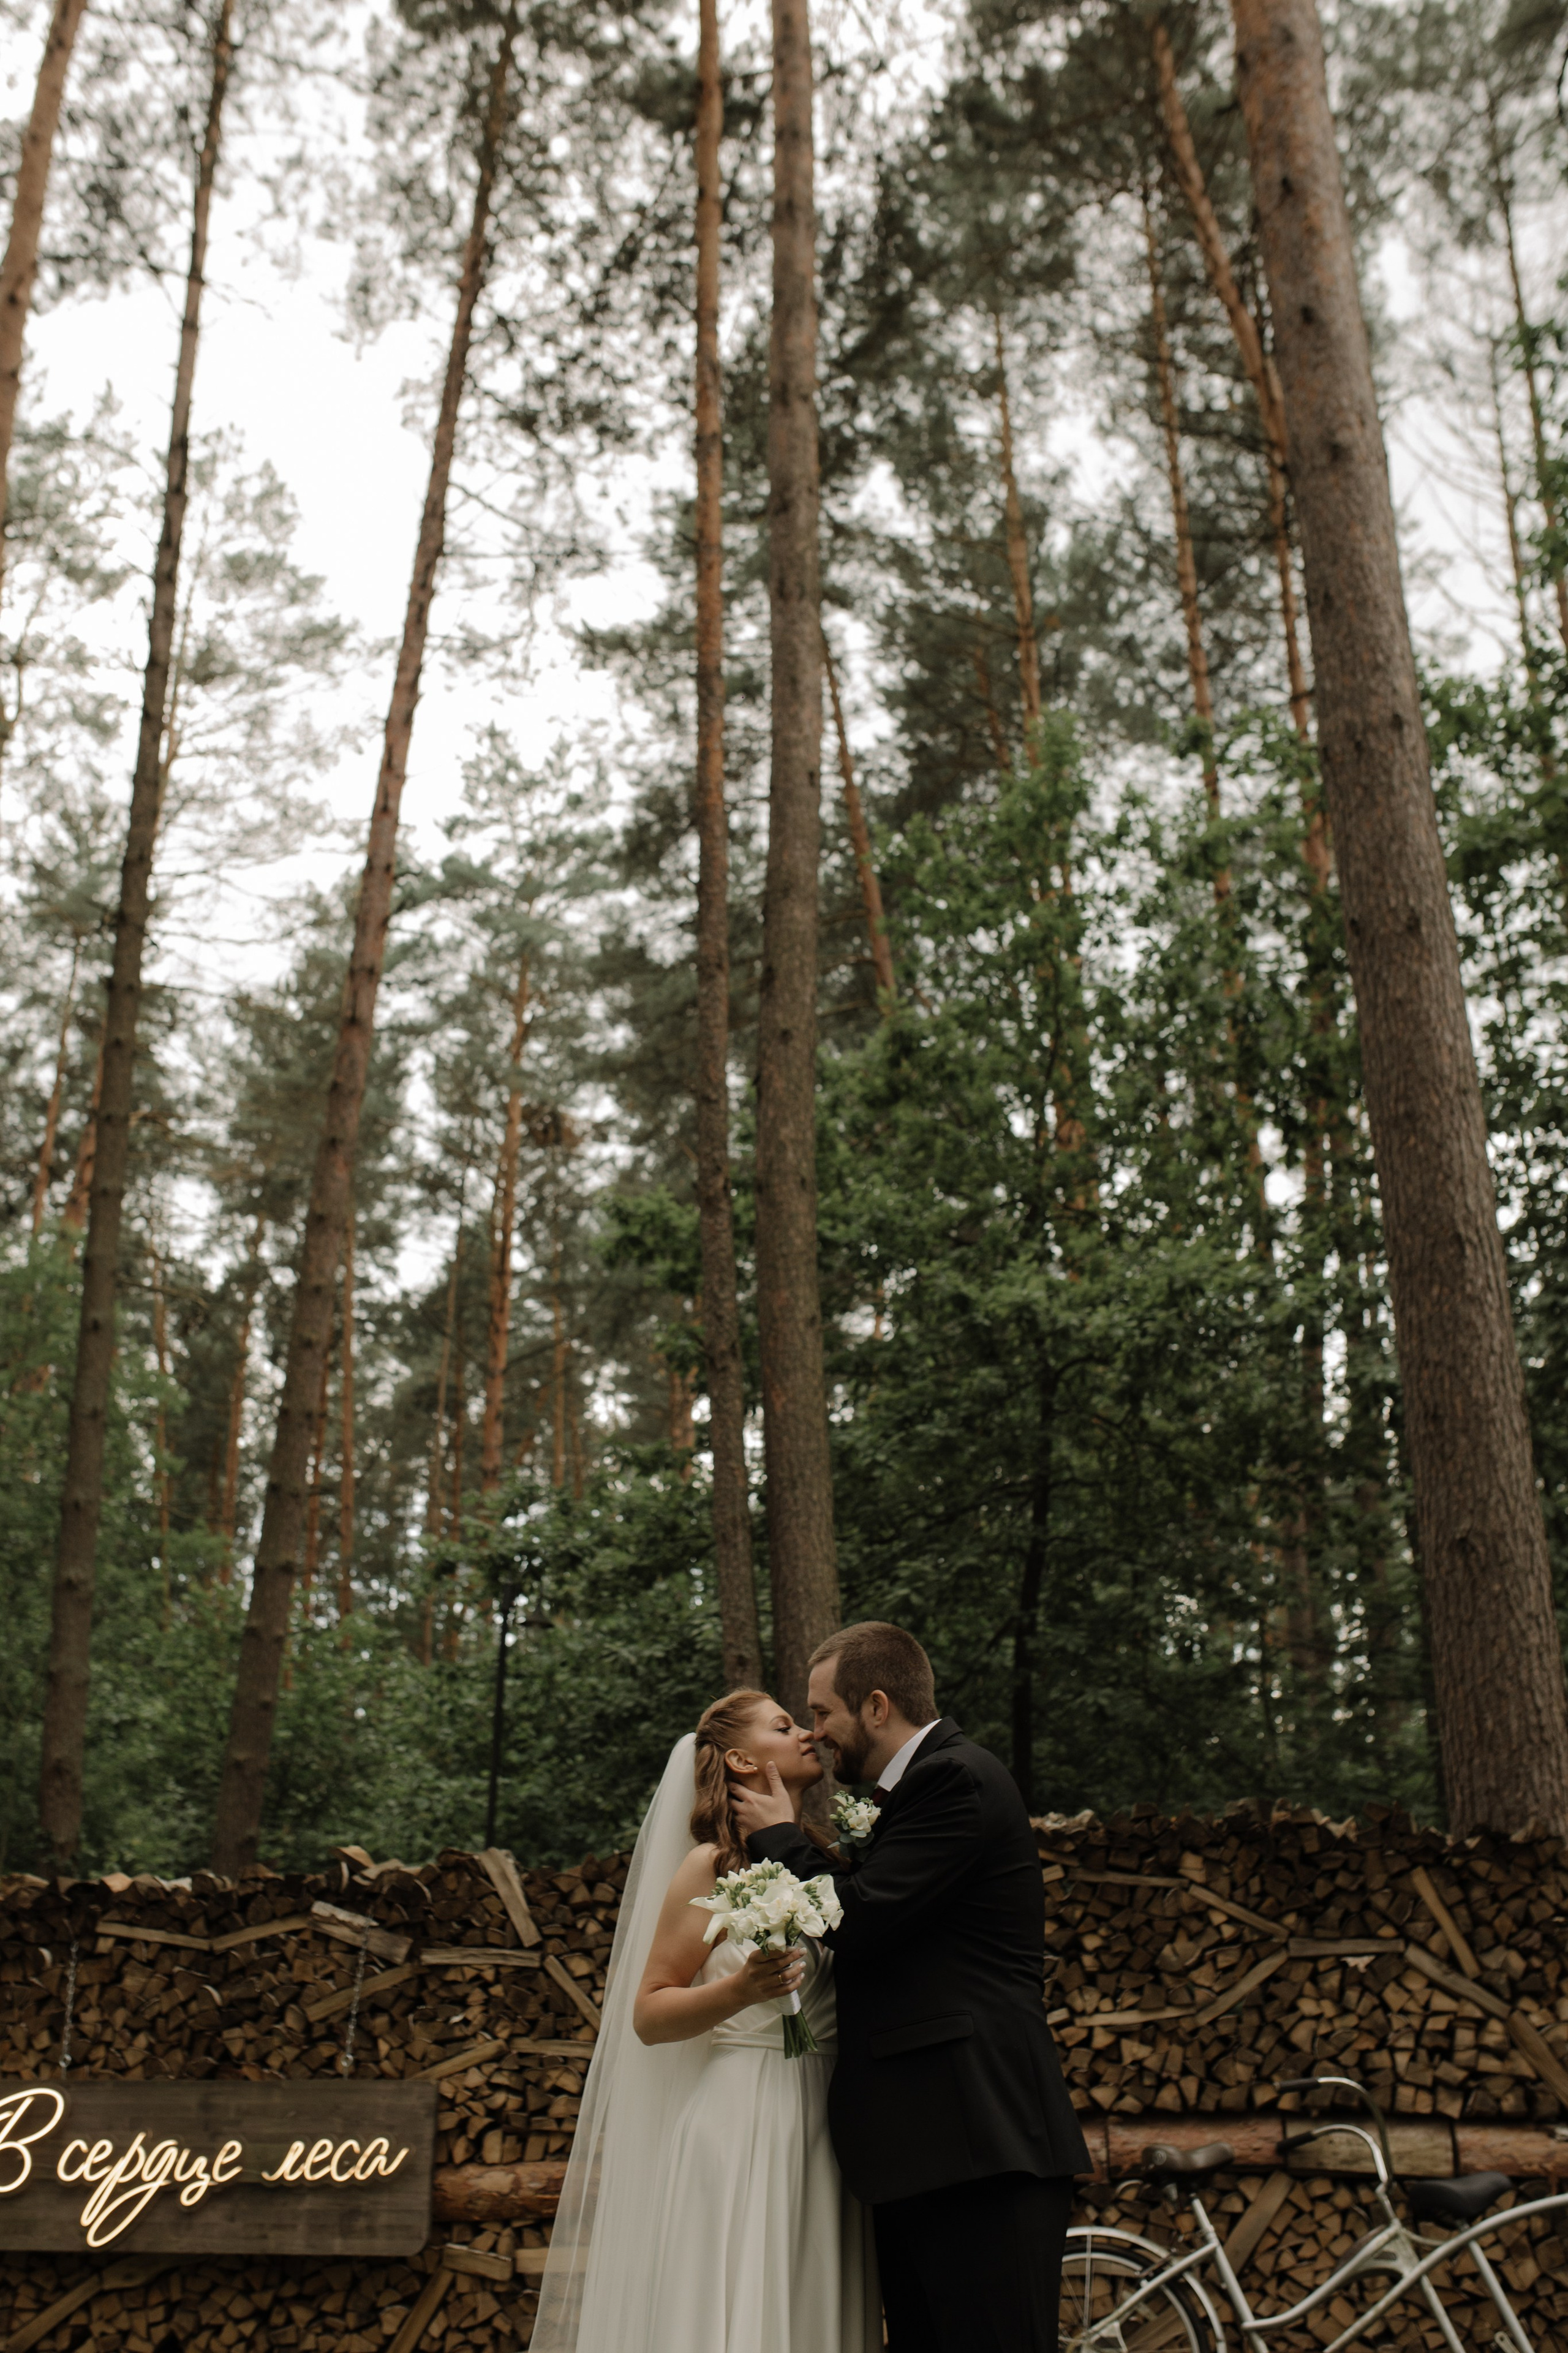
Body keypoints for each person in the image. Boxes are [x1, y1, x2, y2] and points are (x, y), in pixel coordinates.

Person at [733, 1619, 1090, 2353]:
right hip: (933, 2150)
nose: (816, 1731)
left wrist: (781, 1835)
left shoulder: (953, 1778)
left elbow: (862, 1918)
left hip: (979, 2145)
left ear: (874, 1705)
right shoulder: (918, 1791)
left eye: (822, 1711)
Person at [530, 1688, 880, 2353]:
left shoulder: (827, 1863)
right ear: (744, 1760)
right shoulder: (713, 1865)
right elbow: (649, 2011)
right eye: (785, 1725)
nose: (808, 1734)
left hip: (828, 2125)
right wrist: (741, 1990)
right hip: (741, 2119)